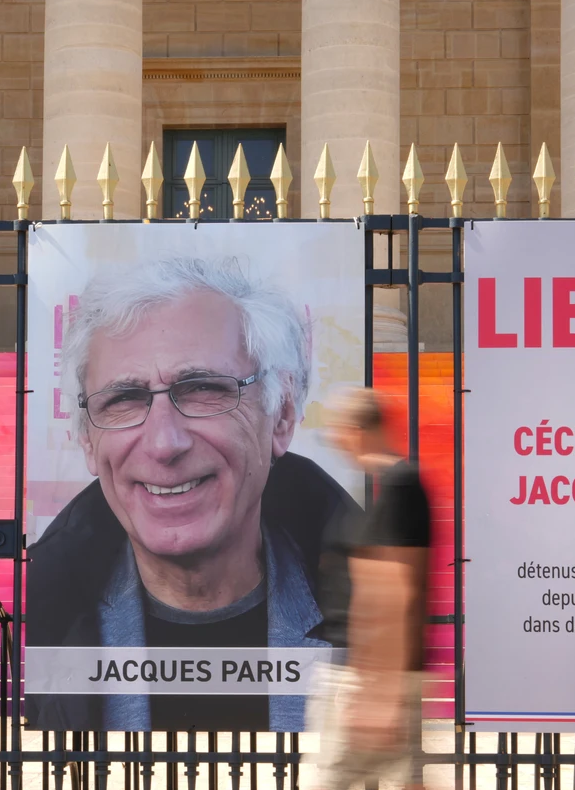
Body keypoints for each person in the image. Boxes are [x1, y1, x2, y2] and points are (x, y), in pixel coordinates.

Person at [244, 387, 551, 790]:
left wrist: (379, 689)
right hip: (376, 672)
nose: (335, 440)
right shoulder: (392, 488)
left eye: (340, 429)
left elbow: (397, 590)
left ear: (359, 430)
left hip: (367, 674)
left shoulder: (401, 488)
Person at [26, 256, 359, 732]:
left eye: (203, 389)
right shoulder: (18, 639)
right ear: (86, 439)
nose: (165, 443)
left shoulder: (381, 622)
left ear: (282, 415)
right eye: (124, 399)